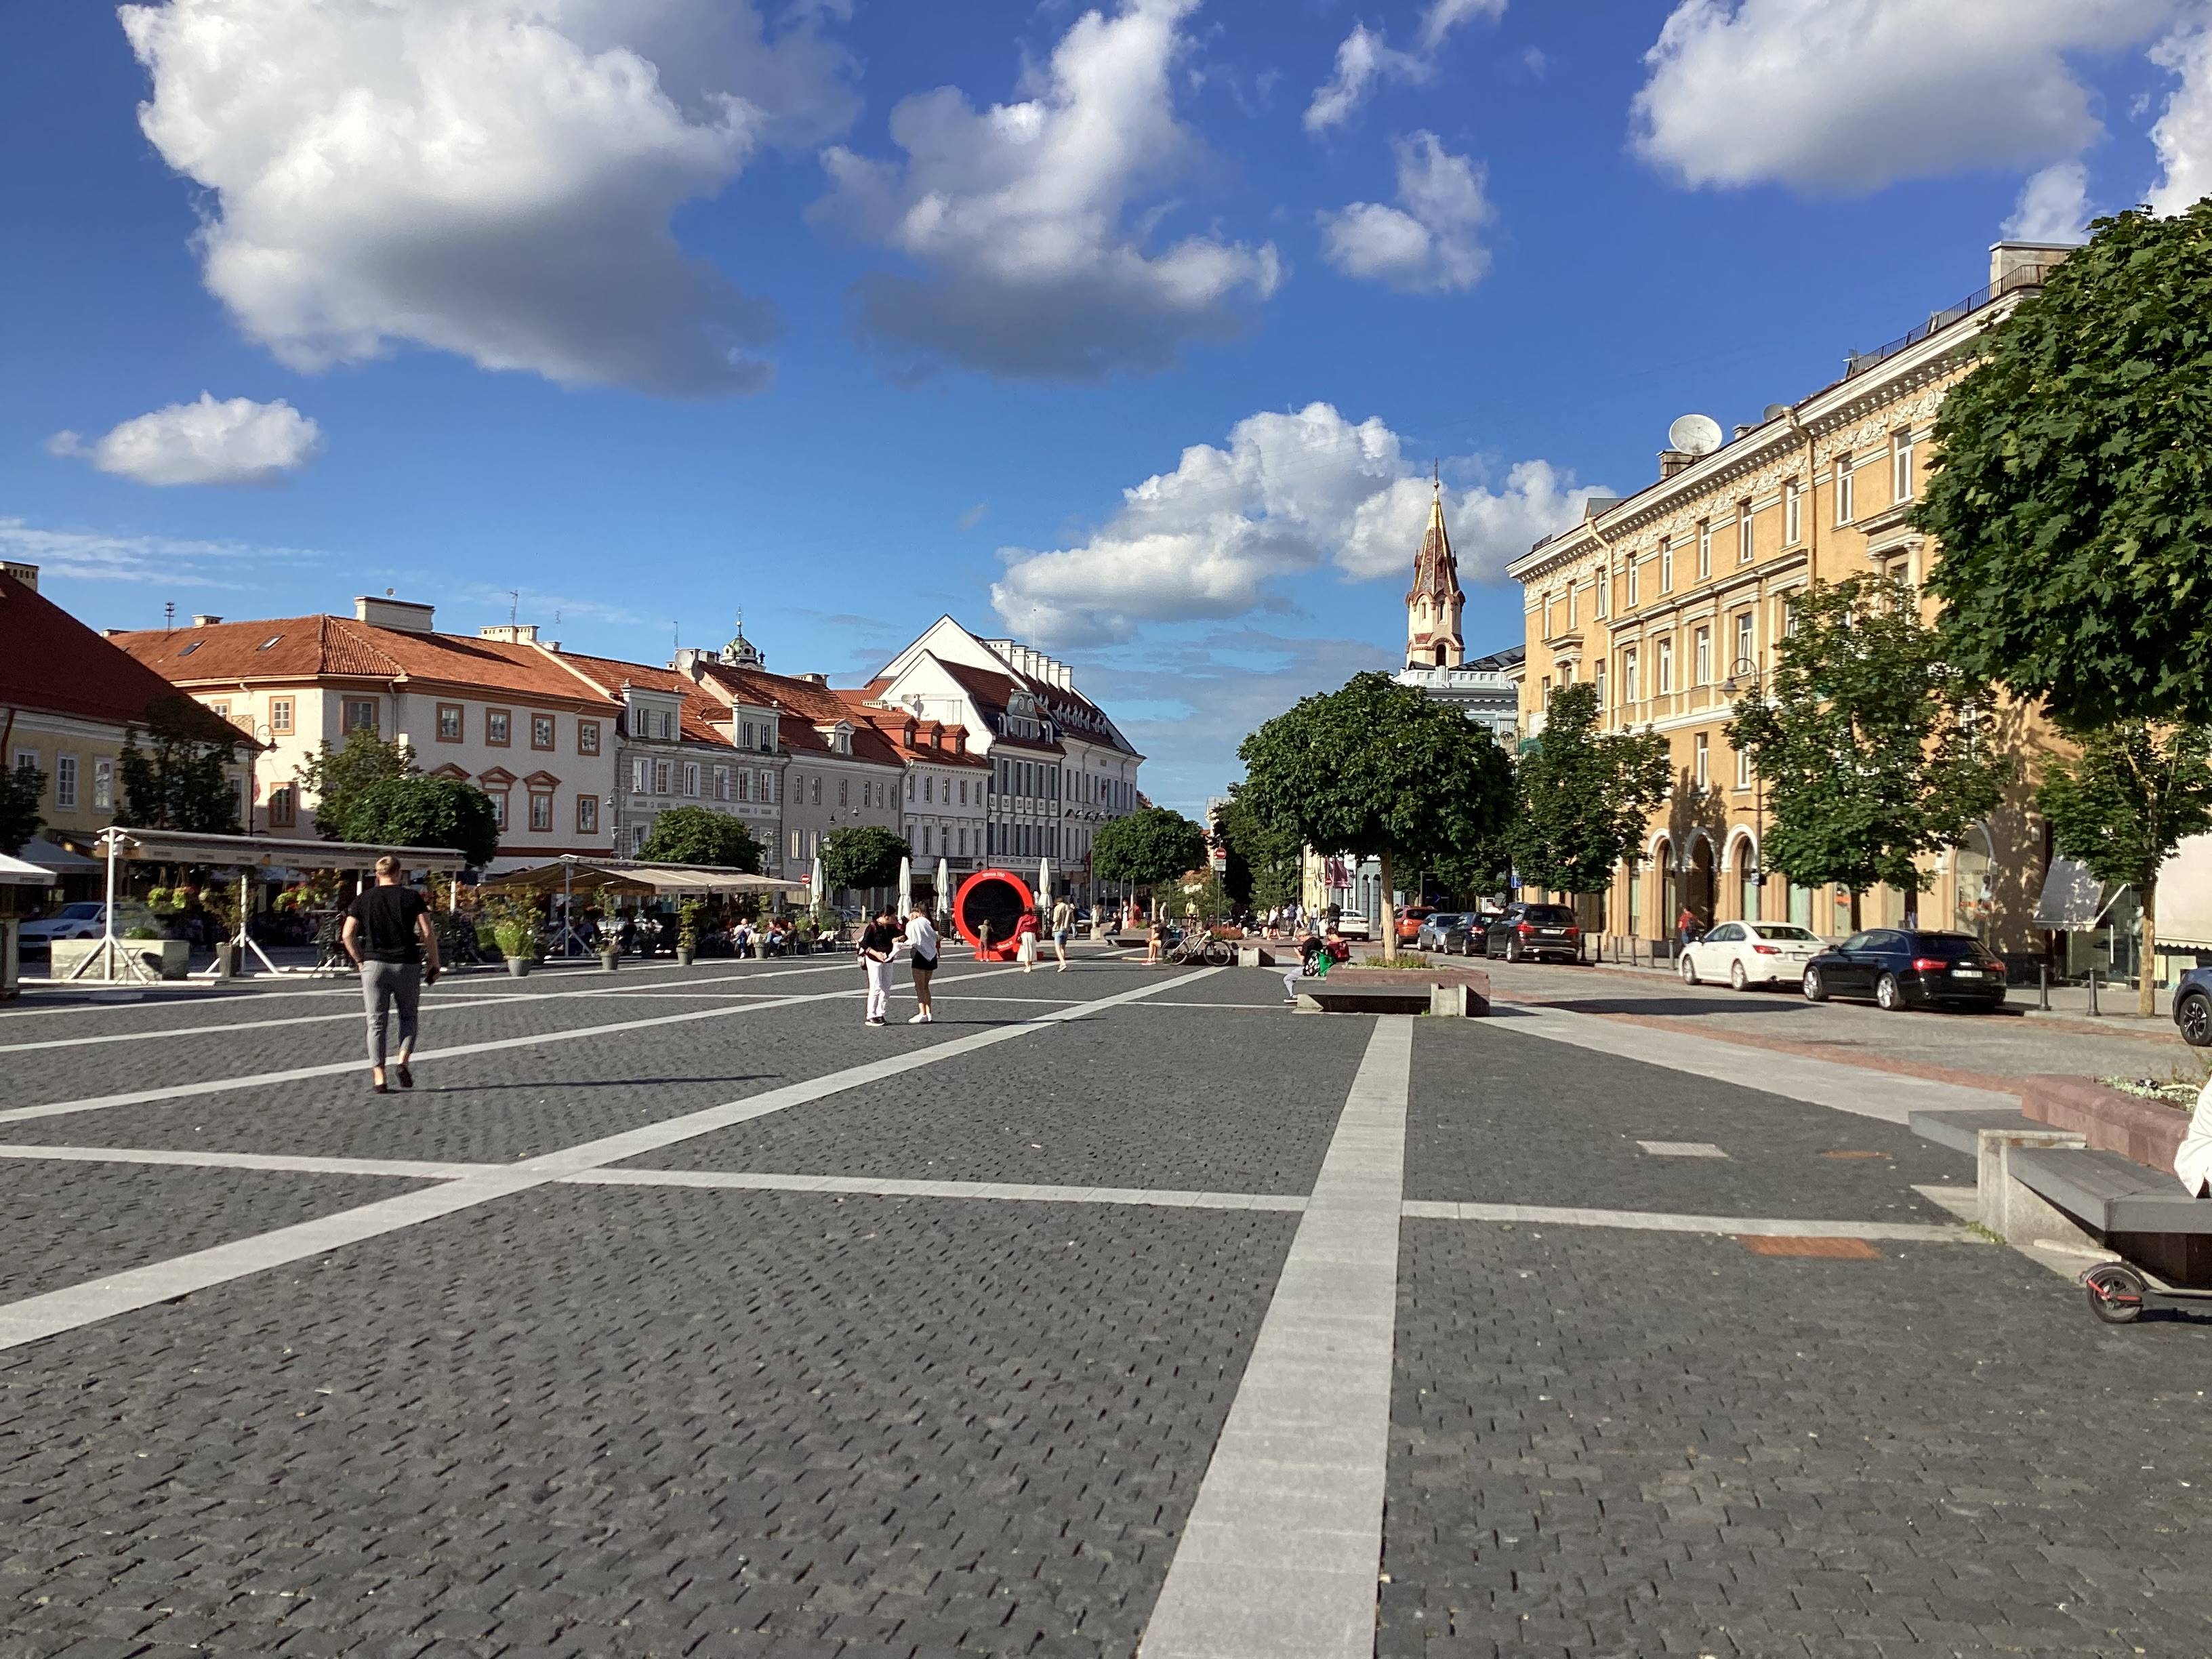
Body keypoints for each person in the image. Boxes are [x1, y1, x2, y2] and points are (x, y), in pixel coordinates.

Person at [342, 855, 441, 1093]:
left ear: (377, 875)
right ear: (399, 873)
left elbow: (347, 935)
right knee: (408, 1017)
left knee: (376, 1022)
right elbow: (427, 932)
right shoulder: (411, 897)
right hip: (406, 964)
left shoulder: (363, 899)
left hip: (374, 965)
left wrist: (359, 960)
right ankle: (402, 1061)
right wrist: (434, 962)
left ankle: (379, 1078)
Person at [858, 903, 900, 1026]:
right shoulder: (872, 927)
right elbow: (864, 944)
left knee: (886, 987)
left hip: (888, 959)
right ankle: (871, 1015)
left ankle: (880, 1013)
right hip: (874, 959)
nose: (895, 919)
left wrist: (900, 939)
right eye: (893, 916)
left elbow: (901, 935)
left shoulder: (891, 927)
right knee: (876, 987)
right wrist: (876, 954)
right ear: (886, 916)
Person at [904, 903, 940, 1024]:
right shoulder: (929, 922)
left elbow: (910, 939)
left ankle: (922, 1013)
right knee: (925, 986)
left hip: (919, 955)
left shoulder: (914, 923)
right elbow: (936, 936)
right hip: (931, 956)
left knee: (919, 987)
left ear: (918, 911)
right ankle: (928, 1013)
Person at [1050, 895, 1076, 971]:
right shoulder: (1068, 907)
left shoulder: (1057, 908)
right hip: (1066, 930)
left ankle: (1063, 962)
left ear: (1057, 902)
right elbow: (1072, 920)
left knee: (1057, 948)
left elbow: (1055, 919)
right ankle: (1061, 964)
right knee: (1063, 947)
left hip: (1058, 929)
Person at [1015, 907, 1041, 971]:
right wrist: (1038, 937)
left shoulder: (1022, 919)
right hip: (1032, 935)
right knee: (1031, 949)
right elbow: (1038, 929)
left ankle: (1027, 966)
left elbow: (1018, 929)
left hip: (1024, 935)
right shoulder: (1034, 919)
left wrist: (1017, 937)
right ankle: (1030, 965)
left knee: (1025, 950)